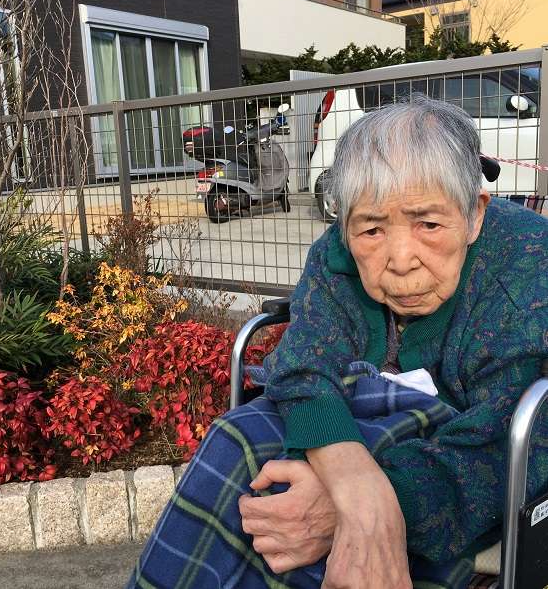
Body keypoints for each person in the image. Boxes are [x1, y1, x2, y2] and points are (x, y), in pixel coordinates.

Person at [126, 96, 548, 589]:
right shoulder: (336, 252)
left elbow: (505, 456)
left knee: (271, 487)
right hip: (365, 452)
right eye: (371, 229)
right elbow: (303, 365)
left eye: (429, 224)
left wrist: (360, 507)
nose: (401, 259)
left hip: (471, 483)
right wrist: (358, 491)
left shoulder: (527, 266)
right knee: (246, 451)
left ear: (474, 215)